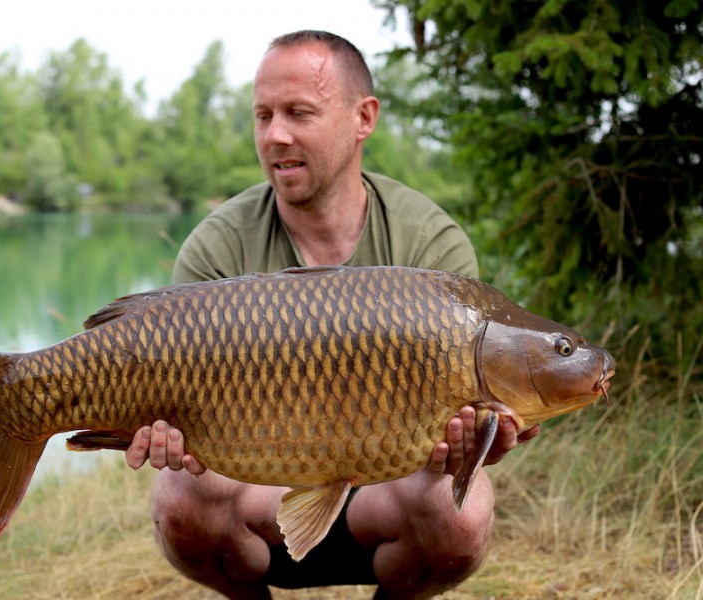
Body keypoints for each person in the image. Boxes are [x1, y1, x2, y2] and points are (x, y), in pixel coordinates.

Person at [125, 30, 539, 599]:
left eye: (299, 112)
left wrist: (482, 440)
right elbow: (178, 423)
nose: (275, 135)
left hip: (389, 502)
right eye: (263, 115)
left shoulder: (430, 243)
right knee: (179, 497)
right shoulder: (218, 245)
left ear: (362, 117)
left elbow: (461, 446)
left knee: (460, 514)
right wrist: (161, 434)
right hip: (257, 503)